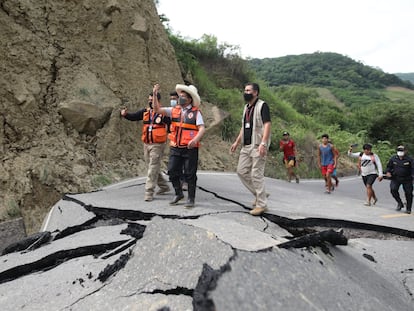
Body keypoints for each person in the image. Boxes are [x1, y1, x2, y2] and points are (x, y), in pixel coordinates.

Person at [153, 83, 205, 208]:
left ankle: (191, 198)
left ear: (190, 99)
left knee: (190, 174)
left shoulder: (196, 113)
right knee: (171, 171)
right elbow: (157, 110)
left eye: (183, 96)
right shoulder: (174, 110)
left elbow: (202, 128)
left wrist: (195, 139)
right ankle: (178, 193)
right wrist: (155, 94)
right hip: (176, 146)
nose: (180, 98)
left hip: (190, 148)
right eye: (180, 95)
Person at [120, 91, 171, 202]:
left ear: (158, 101)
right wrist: (125, 115)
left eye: (152, 100)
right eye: (149, 100)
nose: (150, 102)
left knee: (153, 166)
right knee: (152, 167)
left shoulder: (164, 113)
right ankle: (164, 186)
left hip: (158, 144)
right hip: (147, 143)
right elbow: (134, 117)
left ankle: (149, 192)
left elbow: (172, 126)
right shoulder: (145, 112)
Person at [230, 83, 271, 216]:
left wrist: (264, 143)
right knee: (241, 171)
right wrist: (237, 141)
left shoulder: (262, 106)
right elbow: (244, 126)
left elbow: (267, 125)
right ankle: (260, 194)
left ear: (255, 93)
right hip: (246, 145)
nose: (245, 92)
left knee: (256, 174)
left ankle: (261, 205)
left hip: (258, 145)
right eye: (245, 90)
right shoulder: (246, 108)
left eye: (248, 90)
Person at [385, 145, 414, 214]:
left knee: (409, 193)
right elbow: (389, 167)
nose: (400, 152)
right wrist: (388, 172)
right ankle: (400, 203)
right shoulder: (393, 158)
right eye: (399, 150)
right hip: (396, 178)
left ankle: (408, 208)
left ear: (405, 151)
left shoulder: (410, 159)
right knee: (393, 190)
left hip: (407, 179)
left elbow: (413, 169)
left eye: (402, 150)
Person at [169, 91, 187, 191]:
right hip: (174, 141)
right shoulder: (171, 111)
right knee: (175, 165)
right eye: (171, 99)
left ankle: (184, 181)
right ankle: (179, 182)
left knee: (185, 164)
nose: (173, 101)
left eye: (174, 99)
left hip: (185, 142)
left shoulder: (187, 111)